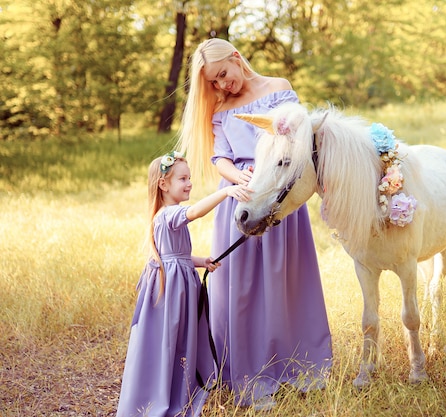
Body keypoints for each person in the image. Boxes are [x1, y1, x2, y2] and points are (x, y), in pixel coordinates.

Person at [176, 38, 333, 410]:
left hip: (276, 194)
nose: (222, 85)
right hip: (242, 198)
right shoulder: (222, 109)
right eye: (214, 82)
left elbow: (295, 142)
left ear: (236, 58)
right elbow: (221, 157)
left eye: (223, 75)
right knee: (240, 288)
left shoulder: (279, 89)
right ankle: (248, 372)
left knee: (286, 282)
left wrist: (264, 173)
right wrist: (240, 179)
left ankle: (298, 366)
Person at [116, 151, 252, 417]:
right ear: (163, 185)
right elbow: (195, 212)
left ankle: (178, 386)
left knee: (179, 339)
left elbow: (174, 255)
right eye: (182, 179)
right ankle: (162, 393)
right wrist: (227, 192)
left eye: (189, 178)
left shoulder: (165, 215)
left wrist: (201, 261)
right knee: (169, 340)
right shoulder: (168, 214)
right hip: (172, 290)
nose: (189, 183)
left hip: (180, 284)